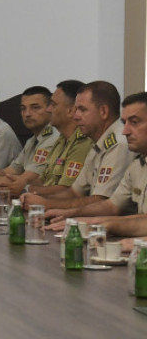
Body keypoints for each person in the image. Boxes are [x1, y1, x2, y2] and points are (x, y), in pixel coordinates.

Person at [45, 91, 147, 233]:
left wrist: (102, 225)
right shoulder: (137, 165)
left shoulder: (119, 145)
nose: (125, 131)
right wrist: (70, 215)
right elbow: (112, 206)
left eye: (134, 122)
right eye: (125, 123)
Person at [23, 80, 131, 212]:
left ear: (103, 112)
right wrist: (36, 198)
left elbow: (100, 201)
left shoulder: (118, 144)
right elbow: (74, 192)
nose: (75, 116)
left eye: (82, 109)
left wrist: (46, 204)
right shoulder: (98, 142)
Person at [24, 80, 93, 194]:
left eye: (53, 105)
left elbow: (66, 190)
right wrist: (21, 186)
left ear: (71, 111)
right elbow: (43, 179)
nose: (48, 109)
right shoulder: (61, 139)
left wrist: (28, 191)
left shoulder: (83, 142)